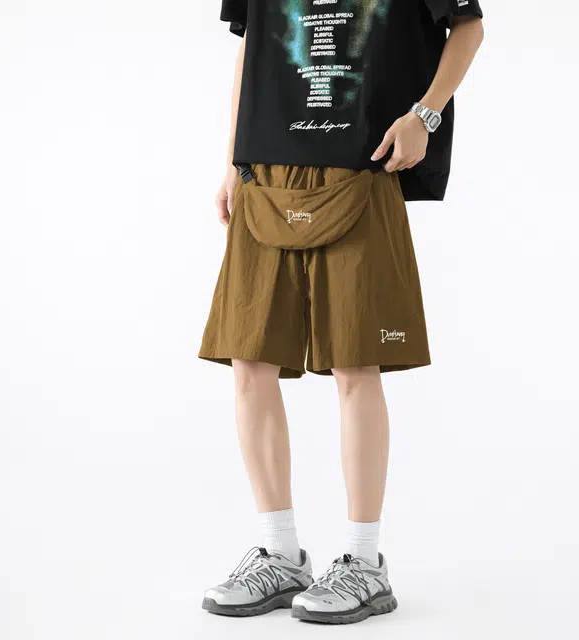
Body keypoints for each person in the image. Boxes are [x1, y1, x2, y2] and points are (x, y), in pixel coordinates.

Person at [199, 0, 484, 625]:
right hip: (265, 172)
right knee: (250, 361)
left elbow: (468, 25)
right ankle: (280, 554)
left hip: (360, 167)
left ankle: (363, 562)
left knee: (355, 364)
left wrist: (424, 115)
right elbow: (251, 47)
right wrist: (232, 161)